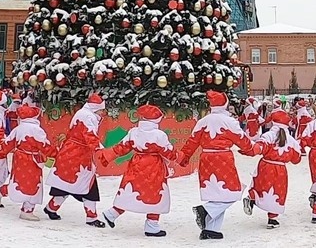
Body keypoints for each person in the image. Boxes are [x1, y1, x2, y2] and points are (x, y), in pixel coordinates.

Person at [178, 91, 257, 240]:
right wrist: (252, 150)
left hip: (206, 158)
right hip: (223, 158)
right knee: (232, 192)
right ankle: (205, 210)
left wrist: (185, 158)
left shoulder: (203, 121)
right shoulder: (229, 121)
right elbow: (243, 141)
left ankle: (211, 229)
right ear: (225, 104)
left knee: (217, 194)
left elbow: (192, 142)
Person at [99, 104, 175, 237]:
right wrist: (182, 158)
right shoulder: (159, 135)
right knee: (155, 195)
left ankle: (112, 214)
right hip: (154, 167)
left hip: (136, 164)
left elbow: (122, 147)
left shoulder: (133, 132)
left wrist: (107, 155)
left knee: (130, 191)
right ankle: (152, 226)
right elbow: (168, 151)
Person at [44, 93, 107, 227]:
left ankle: (51, 208)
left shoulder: (82, 113)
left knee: (64, 184)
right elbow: (89, 135)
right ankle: (91, 217)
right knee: (89, 187)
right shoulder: (88, 117)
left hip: (69, 153)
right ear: (96, 108)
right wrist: (100, 151)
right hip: (79, 157)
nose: (103, 113)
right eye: (101, 110)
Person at [241, 109, 301, 229]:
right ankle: (272, 219)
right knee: (277, 192)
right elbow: (296, 159)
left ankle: (252, 197)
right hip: (280, 169)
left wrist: (247, 151)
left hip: (266, 165)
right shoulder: (291, 141)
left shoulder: (268, 135)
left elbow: (259, 147)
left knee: (260, 186)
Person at [0, 104, 56, 221]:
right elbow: (45, 146)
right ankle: (27, 210)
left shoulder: (18, 128)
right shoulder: (36, 130)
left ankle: (3, 191)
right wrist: (56, 154)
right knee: (34, 185)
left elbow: (8, 143)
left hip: (19, 158)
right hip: (32, 160)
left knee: (18, 181)